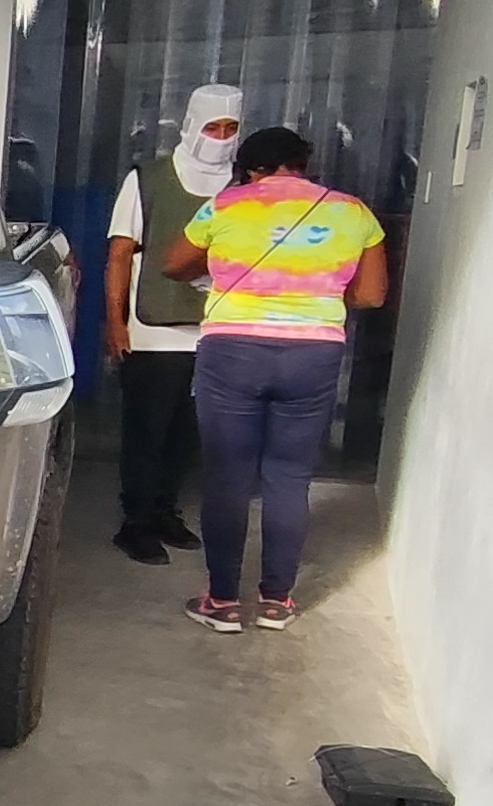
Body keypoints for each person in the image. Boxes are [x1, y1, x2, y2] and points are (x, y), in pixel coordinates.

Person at [163, 125, 387, 633]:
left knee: (228, 476)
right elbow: (372, 296)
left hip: (233, 352)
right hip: (314, 354)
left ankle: (222, 602)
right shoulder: (353, 212)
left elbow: (173, 264)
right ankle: (275, 602)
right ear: (304, 165)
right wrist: (316, 295)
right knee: (289, 477)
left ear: (249, 169)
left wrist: (222, 272)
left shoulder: (225, 205)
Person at [103, 84, 243, 564]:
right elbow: (120, 253)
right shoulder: (148, 180)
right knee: (147, 433)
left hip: (216, 331)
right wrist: (116, 321)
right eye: (212, 128)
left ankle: (165, 511)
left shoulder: (242, 187)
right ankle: (136, 522)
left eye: (230, 129)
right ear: (191, 126)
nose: (221, 138)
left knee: (187, 435)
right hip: (153, 330)